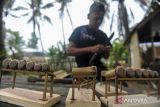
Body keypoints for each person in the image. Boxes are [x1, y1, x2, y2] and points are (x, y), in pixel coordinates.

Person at [67, 2, 112, 80]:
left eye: (101, 19)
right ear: (88, 16)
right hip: (82, 72)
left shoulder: (103, 35)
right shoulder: (79, 30)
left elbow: (106, 57)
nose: (98, 21)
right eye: (96, 18)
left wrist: (106, 51)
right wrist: (91, 49)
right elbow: (69, 51)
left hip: (99, 72)